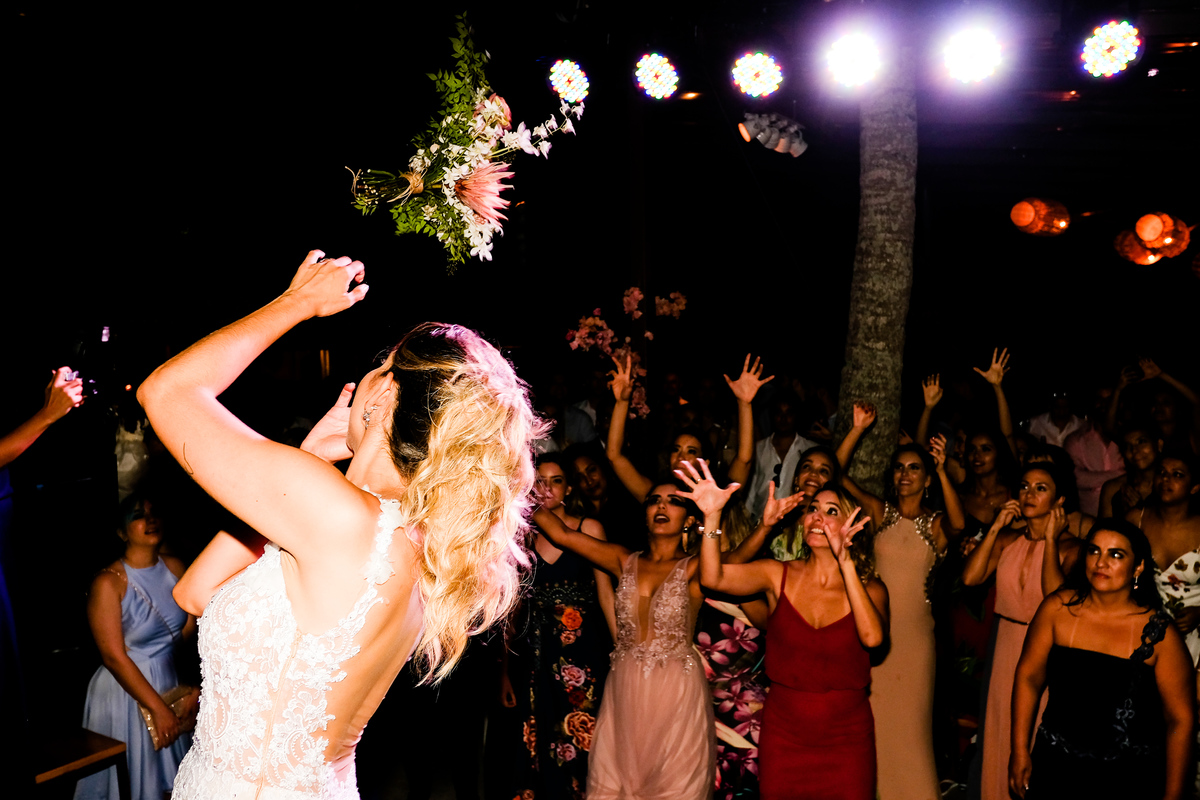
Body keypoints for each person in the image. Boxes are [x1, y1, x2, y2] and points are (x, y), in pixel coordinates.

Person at [139, 250, 542, 799]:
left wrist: (297, 303)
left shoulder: (338, 514)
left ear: (386, 394)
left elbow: (165, 392)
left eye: (378, 367)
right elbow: (195, 591)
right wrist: (307, 456)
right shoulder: (418, 543)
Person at [693, 472, 888, 800]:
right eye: (814, 508)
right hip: (785, 736)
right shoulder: (777, 573)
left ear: (851, 526)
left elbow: (872, 640)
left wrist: (846, 563)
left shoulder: (870, 589)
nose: (817, 517)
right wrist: (712, 516)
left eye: (832, 511)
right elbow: (712, 578)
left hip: (847, 740)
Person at [532, 478, 716, 800]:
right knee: (611, 787)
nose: (660, 506)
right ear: (644, 515)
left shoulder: (697, 567)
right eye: (654, 500)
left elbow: (738, 559)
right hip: (625, 689)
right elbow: (561, 534)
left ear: (689, 520)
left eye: (672, 501)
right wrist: (514, 482)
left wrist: (717, 518)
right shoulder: (622, 559)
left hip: (676, 692)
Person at [1009, 521, 1195, 800]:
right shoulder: (1056, 610)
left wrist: (1173, 795)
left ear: (1139, 567)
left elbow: (1181, 721)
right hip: (1056, 769)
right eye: (1094, 551)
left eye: (1116, 555)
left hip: (1126, 779)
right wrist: (1019, 749)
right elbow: (1028, 677)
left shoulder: (1160, 636)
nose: (1101, 562)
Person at [839, 417, 965, 800]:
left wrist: (942, 471)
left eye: (915, 468)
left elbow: (960, 525)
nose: (905, 474)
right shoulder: (879, 513)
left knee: (911, 731)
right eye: (900, 468)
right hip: (878, 636)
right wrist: (857, 431)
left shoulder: (937, 523)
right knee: (873, 727)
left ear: (926, 479)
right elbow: (837, 471)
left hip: (915, 642)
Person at [961, 463, 1082, 800]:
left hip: (1045, 651)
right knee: (1000, 733)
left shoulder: (1073, 548)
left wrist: (1051, 539)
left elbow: (1055, 598)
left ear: (1059, 500)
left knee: (1037, 736)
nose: (1029, 494)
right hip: (1006, 646)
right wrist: (997, 525)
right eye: (1025, 486)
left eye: (1041, 488)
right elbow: (970, 578)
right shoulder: (1007, 539)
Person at [499, 453, 613, 800]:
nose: (547, 488)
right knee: (540, 734)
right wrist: (504, 669)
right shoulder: (523, 536)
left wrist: (621, 648)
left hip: (584, 652)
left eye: (557, 480)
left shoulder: (588, 527)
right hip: (537, 653)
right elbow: (513, 606)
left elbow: (607, 595)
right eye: (541, 481)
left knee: (584, 733)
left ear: (569, 488)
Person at [76, 494, 197, 800]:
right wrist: (158, 709)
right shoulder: (109, 582)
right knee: (134, 785)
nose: (150, 519)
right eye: (138, 515)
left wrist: (188, 688)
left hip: (167, 684)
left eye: (154, 512)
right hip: (125, 691)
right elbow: (113, 657)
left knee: (174, 783)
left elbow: (184, 632)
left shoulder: (175, 567)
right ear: (121, 531)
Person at [1131, 451, 1200, 665]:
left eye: (1177, 475)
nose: (1166, 479)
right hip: (1144, 626)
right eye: (1161, 473)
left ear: (1195, 487)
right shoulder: (1136, 520)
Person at [1100, 423, 1160, 518]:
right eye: (1127, 446)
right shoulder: (1113, 489)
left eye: (1141, 442)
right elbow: (1103, 530)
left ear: (1159, 445)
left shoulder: (1171, 487)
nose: (1134, 450)